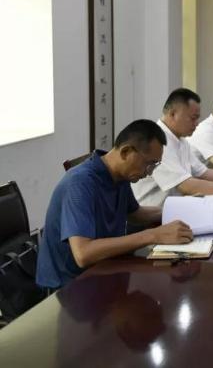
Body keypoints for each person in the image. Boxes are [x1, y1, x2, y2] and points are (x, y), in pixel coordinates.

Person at [36, 120, 194, 289]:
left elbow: (135, 214)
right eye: (148, 164)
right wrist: (153, 235)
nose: (149, 173)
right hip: (68, 286)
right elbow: (83, 254)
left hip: (103, 268)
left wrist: (178, 210)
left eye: (154, 165)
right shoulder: (80, 183)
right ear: (125, 152)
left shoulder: (120, 175)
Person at [132, 88, 213, 207]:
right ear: (172, 114)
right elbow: (186, 186)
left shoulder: (181, 140)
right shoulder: (158, 141)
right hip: (152, 216)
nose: (196, 123)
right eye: (193, 118)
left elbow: (203, 173)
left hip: (175, 209)